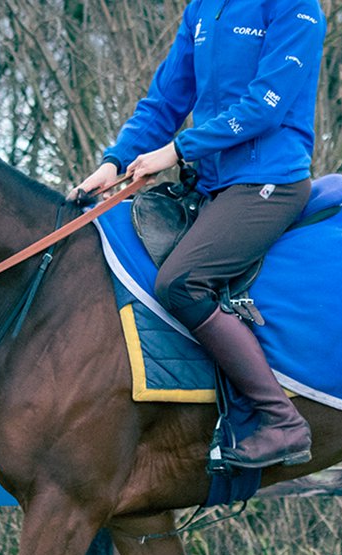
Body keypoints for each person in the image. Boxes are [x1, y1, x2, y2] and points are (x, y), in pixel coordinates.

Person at [71, 0, 327, 470]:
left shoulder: (295, 7)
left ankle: (281, 421)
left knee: (181, 281)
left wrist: (176, 151)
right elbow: (165, 102)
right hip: (211, 184)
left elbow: (265, 106)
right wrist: (113, 162)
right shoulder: (202, 9)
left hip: (269, 180)